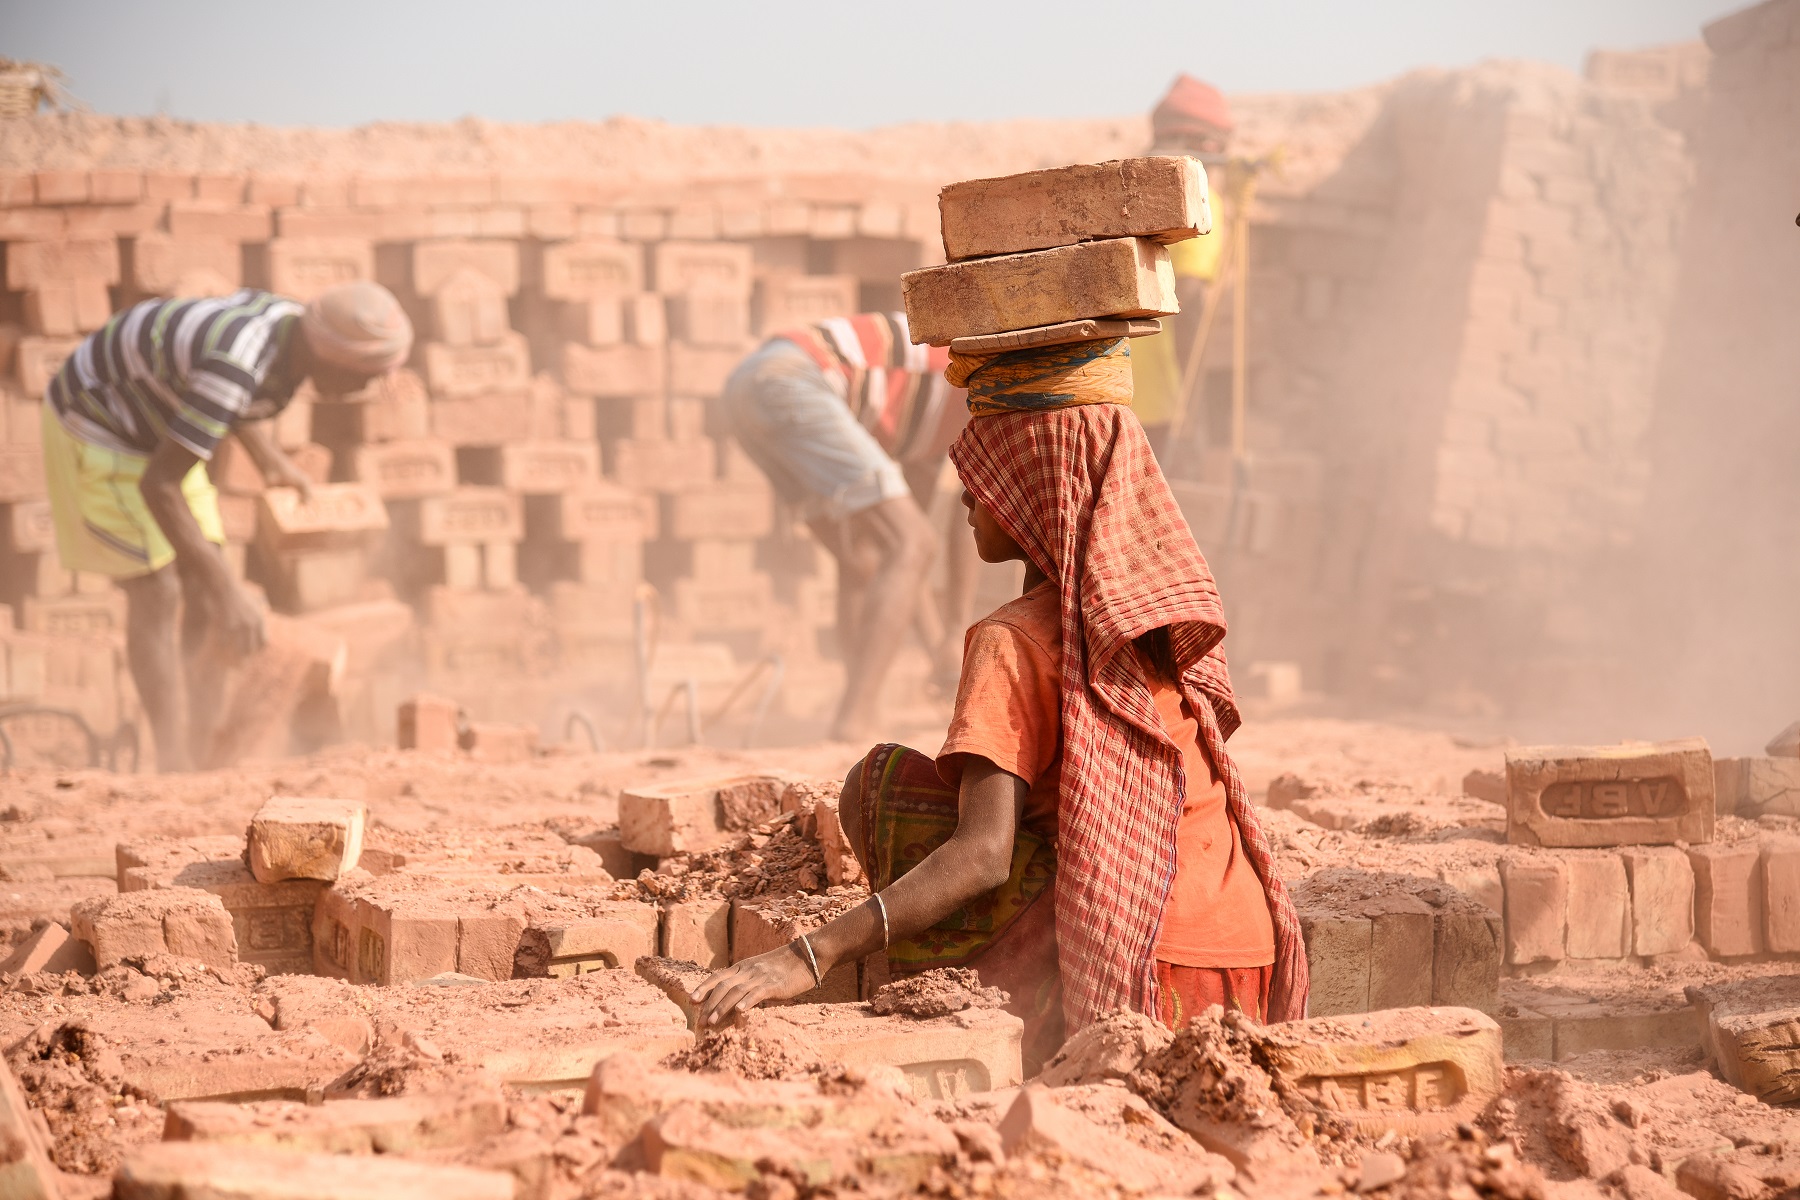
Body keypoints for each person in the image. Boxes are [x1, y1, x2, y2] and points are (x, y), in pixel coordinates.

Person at [694, 334, 1309, 1066]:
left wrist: (808, 955)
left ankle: (1003, 1016)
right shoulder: (1146, 618)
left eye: (984, 477)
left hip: (1142, 978)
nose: (963, 496)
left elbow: (982, 856)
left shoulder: (1013, 639)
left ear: (1034, 494)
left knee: (881, 784)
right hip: (1247, 962)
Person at [40, 282, 413, 771]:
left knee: (206, 582)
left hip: (160, 427)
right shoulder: (237, 364)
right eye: (365, 376)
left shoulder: (291, 327)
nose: (365, 390)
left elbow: (225, 396)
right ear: (332, 361)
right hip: (100, 423)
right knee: (159, 590)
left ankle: (202, 747)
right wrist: (230, 590)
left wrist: (270, 459)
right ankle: (172, 763)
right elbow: (161, 486)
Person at [721, 312, 977, 742]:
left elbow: (895, 560)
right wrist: (954, 633)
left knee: (866, 558)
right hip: (798, 377)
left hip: (746, 386)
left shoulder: (927, 432)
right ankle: (856, 716)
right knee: (910, 543)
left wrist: (940, 648)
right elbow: (967, 520)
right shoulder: (987, 387)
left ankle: (856, 707)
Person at [1132, 74, 1236, 458]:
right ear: (1209, 145)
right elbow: (1190, 298)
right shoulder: (1199, 197)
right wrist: (1193, 407)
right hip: (1155, 402)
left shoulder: (1126, 189)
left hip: (1101, 388)